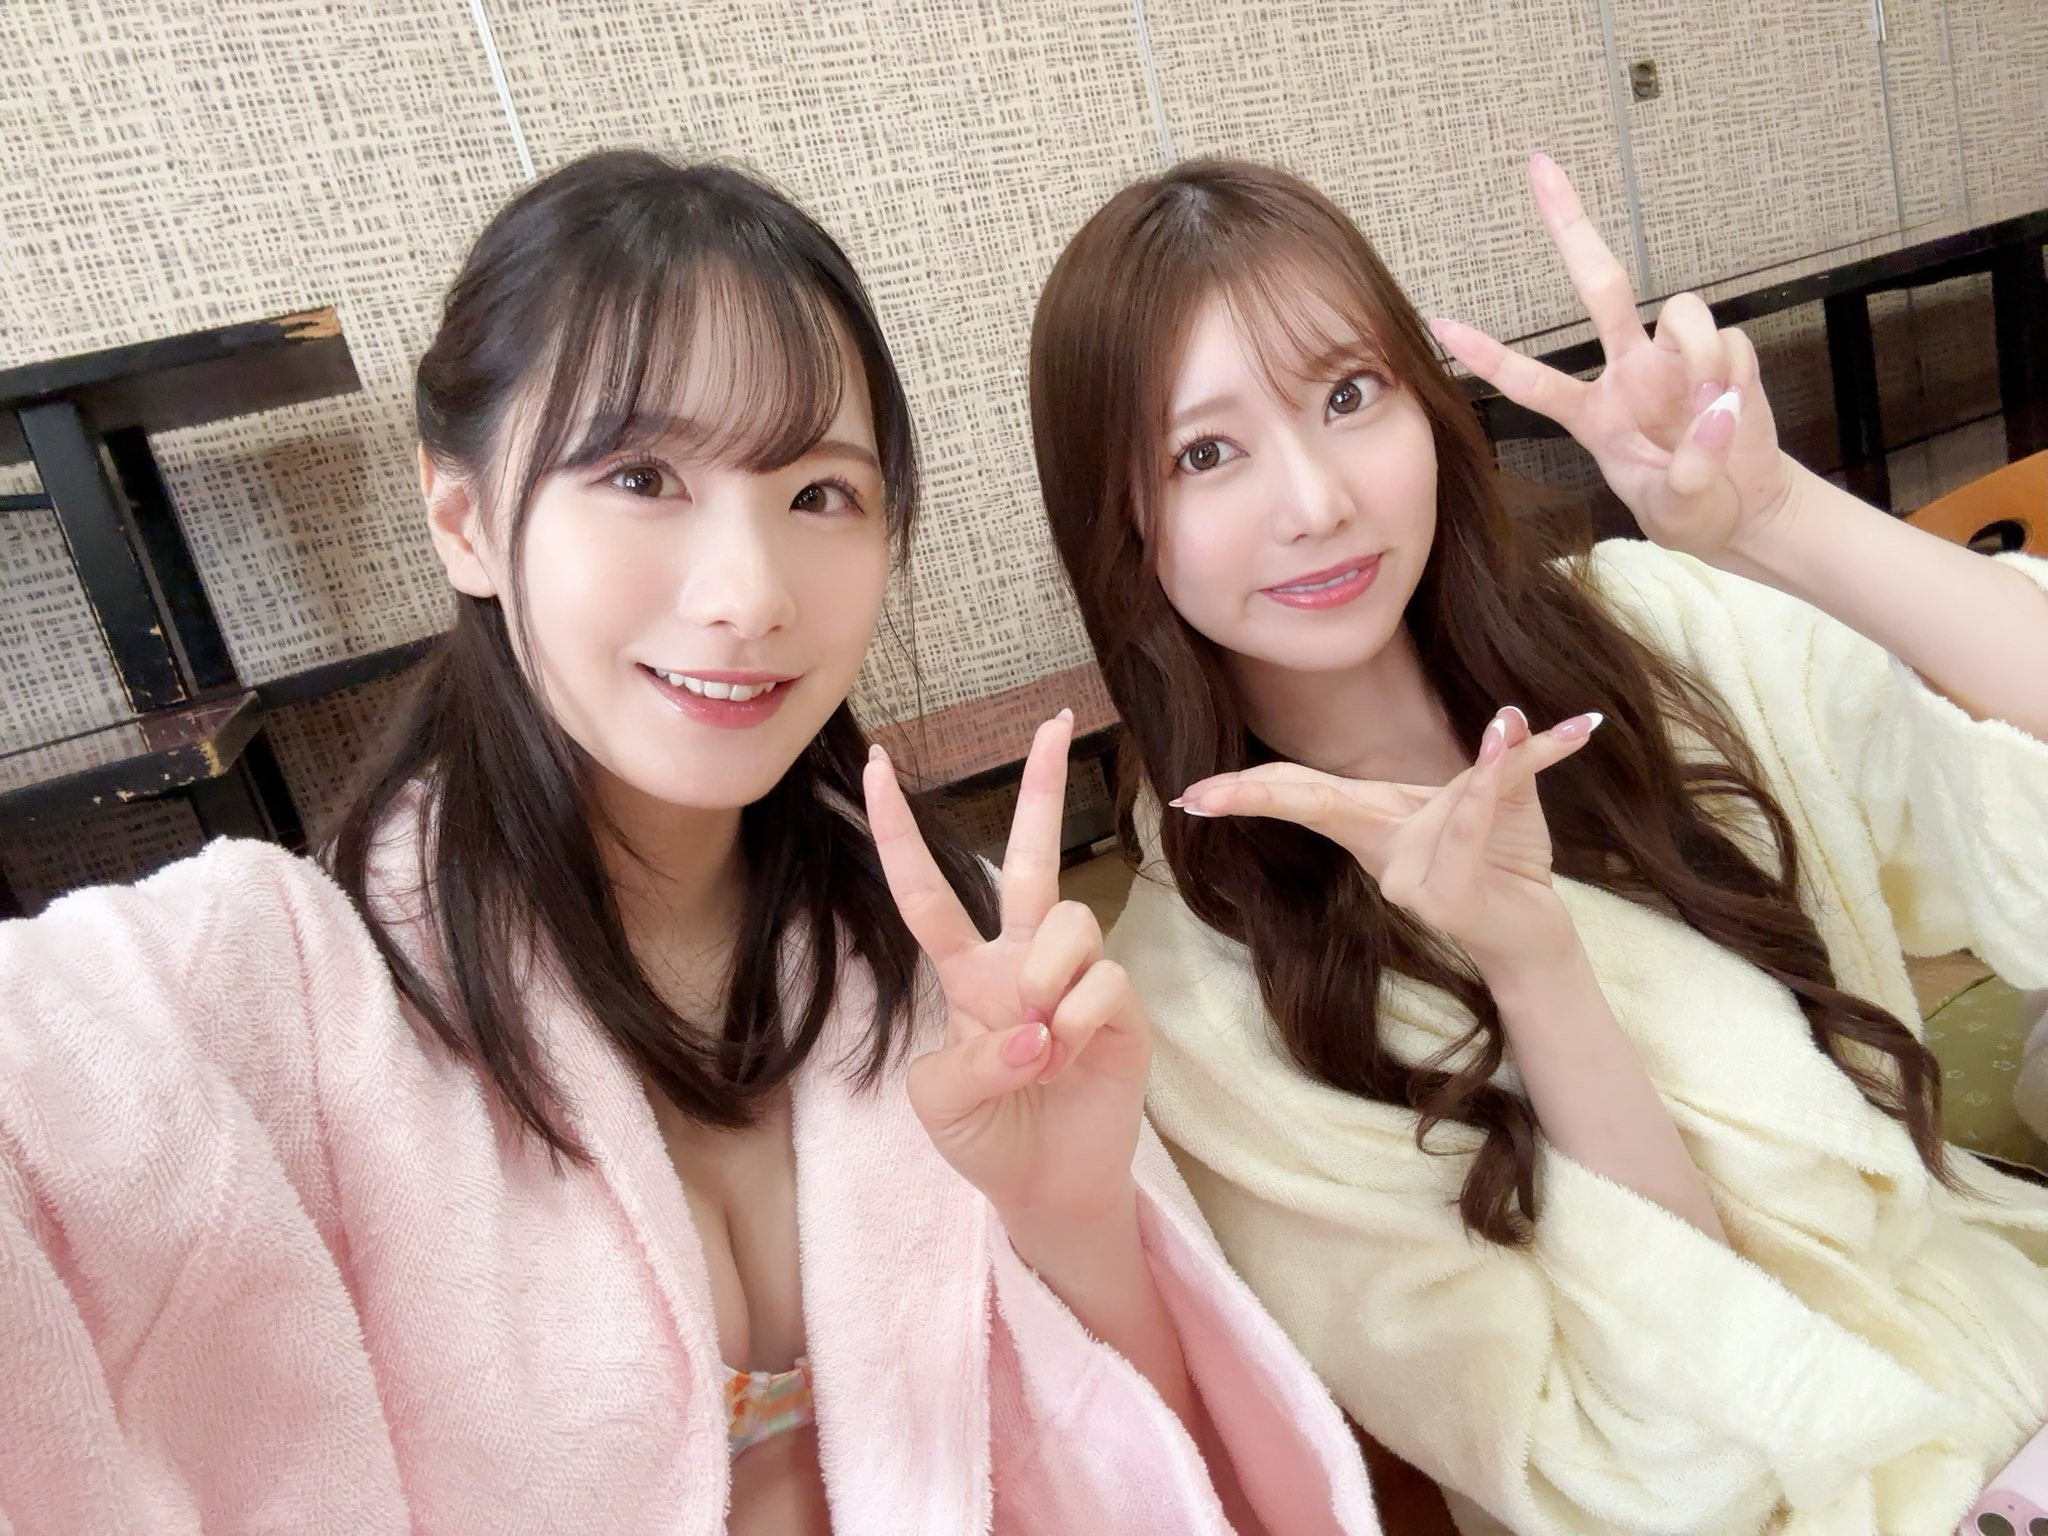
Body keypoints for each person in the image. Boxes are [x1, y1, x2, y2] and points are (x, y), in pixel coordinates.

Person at [0, 149, 1380, 1536]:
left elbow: (1169, 1485)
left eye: (819, 495)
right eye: (643, 475)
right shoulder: (274, 991)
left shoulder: (951, 948)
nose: (748, 592)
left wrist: (1073, 1209)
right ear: (464, 518)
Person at [1028, 151, 2048, 1535]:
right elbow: (1653, 1470)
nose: (1316, 500)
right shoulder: (1193, 1001)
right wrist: (1533, 964)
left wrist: (1781, 521)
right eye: (1205, 453)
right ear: (1119, 521)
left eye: (1348, 395)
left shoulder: (1642, 633)